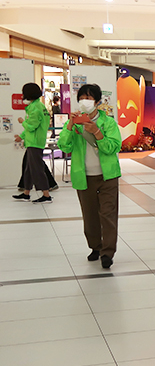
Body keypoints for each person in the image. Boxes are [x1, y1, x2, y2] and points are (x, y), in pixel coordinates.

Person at [57, 84, 123, 269]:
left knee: (108, 214)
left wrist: (97, 133)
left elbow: (113, 148)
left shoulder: (108, 123)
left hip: (108, 176)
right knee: (90, 216)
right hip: (84, 176)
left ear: (98, 102)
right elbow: (64, 147)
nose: (85, 101)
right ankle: (95, 247)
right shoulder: (75, 123)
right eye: (82, 97)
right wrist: (70, 127)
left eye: (89, 98)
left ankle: (108, 253)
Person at [13, 83, 52, 203]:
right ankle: (26, 193)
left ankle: (46, 195)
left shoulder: (34, 108)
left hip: (35, 143)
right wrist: (22, 136)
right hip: (33, 141)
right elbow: (31, 128)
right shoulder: (38, 106)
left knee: (37, 169)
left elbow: (31, 126)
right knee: (29, 169)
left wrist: (22, 122)